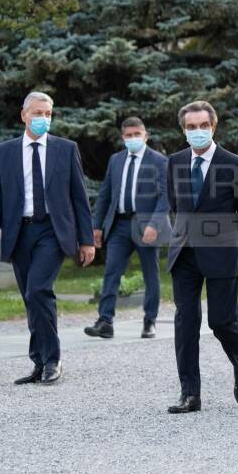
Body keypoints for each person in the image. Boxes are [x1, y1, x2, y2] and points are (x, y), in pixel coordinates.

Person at [0, 91, 95, 385]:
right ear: (23, 115)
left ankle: (53, 360)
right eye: (37, 113)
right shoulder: (3, 152)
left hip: (52, 232)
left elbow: (79, 198)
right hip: (19, 232)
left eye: (47, 114)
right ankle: (39, 362)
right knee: (30, 298)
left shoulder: (65, 149)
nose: (43, 119)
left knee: (38, 291)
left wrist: (87, 240)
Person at [165, 101, 238, 414]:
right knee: (185, 323)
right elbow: (174, 205)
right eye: (191, 127)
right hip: (185, 253)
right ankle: (190, 394)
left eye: (203, 126)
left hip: (221, 252)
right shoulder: (175, 162)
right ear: (184, 130)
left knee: (221, 321)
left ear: (213, 127)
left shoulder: (234, 164)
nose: (197, 132)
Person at [86, 117, 168, 340]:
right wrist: (97, 226)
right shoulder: (116, 160)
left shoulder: (159, 161)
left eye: (137, 134)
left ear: (145, 135)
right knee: (111, 272)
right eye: (129, 135)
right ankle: (105, 321)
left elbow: (165, 196)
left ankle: (149, 321)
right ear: (123, 138)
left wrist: (155, 224)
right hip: (119, 225)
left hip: (146, 226)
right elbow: (105, 194)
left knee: (151, 274)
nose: (133, 139)